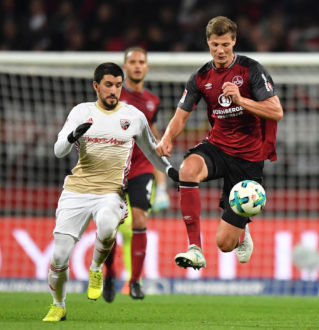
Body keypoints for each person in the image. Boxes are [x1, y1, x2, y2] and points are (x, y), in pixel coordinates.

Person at [42, 62, 178, 322]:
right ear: (96, 86)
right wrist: (72, 136)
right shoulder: (81, 112)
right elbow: (58, 150)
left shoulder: (133, 116)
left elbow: (152, 151)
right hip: (77, 190)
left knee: (106, 224)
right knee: (59, 257)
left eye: (118, 85)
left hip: (112, 191)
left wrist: (172, 173)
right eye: (108, 85)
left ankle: (96, 268)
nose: (114, 90)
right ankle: (58, 305)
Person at [156, 16, 283, 270]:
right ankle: (194, 248)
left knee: (225, 244)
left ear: (234, 41)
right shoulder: (201, 76)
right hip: (218, 146)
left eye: (225, 44)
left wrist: (241, 100)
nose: (220, 50)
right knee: (187, 170)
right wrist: (167, 138)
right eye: (215, 45)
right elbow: (181, 115)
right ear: (208, 43)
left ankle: (242, 230)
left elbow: (276, 111)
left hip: (248, 158)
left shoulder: (251, 70)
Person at [103, 47, 169, 302]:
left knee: (140, 222)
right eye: (133, 62)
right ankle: (109, 272)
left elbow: (153, 139)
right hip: (113, 169)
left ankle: (135, 282)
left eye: (142, 62)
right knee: (108, 228)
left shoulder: (153, 100)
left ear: (147, 67)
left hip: (141, 169)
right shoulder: (114, 97)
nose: (138, 66)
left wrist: (162, 182)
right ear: (125, 66)